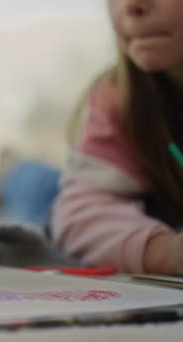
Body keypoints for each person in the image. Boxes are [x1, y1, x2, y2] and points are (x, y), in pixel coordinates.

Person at [52, 0, 183, 275]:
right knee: (33, 185)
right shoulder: (117, 99)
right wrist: (167, 253)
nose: (132, 5)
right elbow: (77, 216)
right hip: (92, 183)